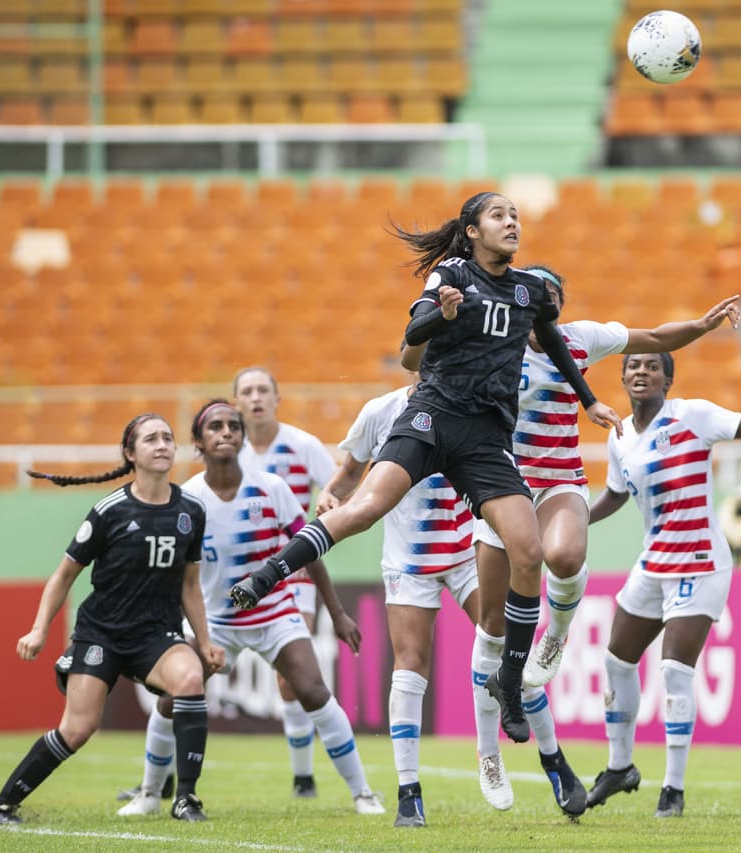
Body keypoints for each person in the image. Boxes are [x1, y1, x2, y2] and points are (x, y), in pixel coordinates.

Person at [228, 191, 622, 746]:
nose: (511, 223)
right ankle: (268, 575)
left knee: (528, 551)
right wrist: (443, 312)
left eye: (516, 216)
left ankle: (511, 682)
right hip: (432, 416)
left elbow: (555, 343)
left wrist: (589, 401)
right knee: (365, 507)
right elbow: (411, 337)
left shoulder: (530, 291)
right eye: (499, 216)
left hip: (485, 437)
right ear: (472, 229)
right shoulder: (450, 273)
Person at [404, 264, 741, 689]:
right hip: (502, 482)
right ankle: (488, 751)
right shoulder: (495, 341)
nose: (539, 302)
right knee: (491, 626)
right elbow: (424, 357)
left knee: (562, 556)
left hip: (560, 477)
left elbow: (653, 338)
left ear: (557, 306)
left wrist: (700, 326)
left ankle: (557, 635)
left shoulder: (581, 338)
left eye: (550, 297)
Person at [317, 371, 586, 827]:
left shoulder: (479, 401)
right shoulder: (380, 412)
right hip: (409, 560)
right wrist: (330, 495)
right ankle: (409, 794)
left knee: (507, 652)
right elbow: (346, 476)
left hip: (469, 551)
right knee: (410, 665)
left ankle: (553, 760)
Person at [116, 400, 385, 817]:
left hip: (275, 614)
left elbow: (311, 551)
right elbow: (173, 573)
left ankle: (363, 792)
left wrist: (336, 612)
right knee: (172, 699)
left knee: (313, 691)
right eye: (216, 427)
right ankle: (150, 794)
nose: (226, 433)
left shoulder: (271, 488)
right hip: (214, 622)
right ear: (199, 443)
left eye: (233, 427)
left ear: (243, 438)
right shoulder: (188, 500)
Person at [584, 353, 741, 818]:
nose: (641, 372)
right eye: (633, 365)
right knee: (616, 660)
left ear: (667, 379)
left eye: (652, 366)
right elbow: (615, 492)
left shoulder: (693, 415)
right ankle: (620, 767)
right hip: (653, 561)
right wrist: (575, 522)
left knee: (675, 671)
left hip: (700, 562)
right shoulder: (621, 437)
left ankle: (672, 789)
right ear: (622, 376)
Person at [0, 414, 224, 826]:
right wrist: (40, 628)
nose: (163, 444)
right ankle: (0, 806)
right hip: (103, 635)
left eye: (167, 437)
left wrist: (204, 641)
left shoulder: (191, 511)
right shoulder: (109, 510)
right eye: (151, 439)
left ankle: (186, 799)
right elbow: (63, 576)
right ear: (131, 454)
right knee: (77, 730)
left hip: (157, 635)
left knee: (190, 679)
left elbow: (189, 586)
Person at [232, 365, 339, 799]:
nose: (256, 397)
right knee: (193, 669)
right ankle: (161, 779)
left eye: (263, 390)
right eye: (247, 391)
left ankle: (303, 776)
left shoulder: (302, 445)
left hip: (294, 576)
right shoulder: (229, 452)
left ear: (277, 399)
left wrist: (328, 498)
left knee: (290, 675)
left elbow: (337, 486)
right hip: (237, 579)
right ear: (236, 403)